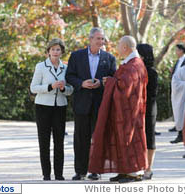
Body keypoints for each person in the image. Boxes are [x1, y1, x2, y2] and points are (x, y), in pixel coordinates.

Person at [88, 35, 148, 183]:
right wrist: (112, 81)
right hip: (124, 110)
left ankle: (133, 172)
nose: (117, 48)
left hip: (130, 112)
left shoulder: (134, 65)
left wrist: (110, 82)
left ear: (126, 47)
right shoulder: (130, 63)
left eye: (119, 45)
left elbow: (125, 87)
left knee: (129, 139)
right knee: (121, 139)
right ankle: (124, 171)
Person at [65, 27, 116, 180]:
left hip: (100, 104)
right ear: (90, 39)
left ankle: (95, 170)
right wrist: (82, 83)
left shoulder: (109, 58)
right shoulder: (76, 56)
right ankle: (80, 171)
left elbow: (113, 79)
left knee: (98, 138)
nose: (101, 41)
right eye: (98, 38)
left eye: (102, 39)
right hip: (81, 103)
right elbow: (69, 76)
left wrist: (100, 83)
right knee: (81, 138)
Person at [30, 38, 74, 181]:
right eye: (53, 49)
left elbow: (70, 90)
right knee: (44, 141)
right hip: (43, 107)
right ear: (48, 51)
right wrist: (50, 86)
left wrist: (63, 88)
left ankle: (59, 174)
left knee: (59, 142)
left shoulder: (66, 68)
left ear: (61, 52)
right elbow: (33, 88)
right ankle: (46, 174)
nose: (55, 52)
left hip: (60, 107)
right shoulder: (41, 66)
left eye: (58, 49)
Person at [137, 43, 157, 180]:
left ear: (142, 56)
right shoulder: (136, 70)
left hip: (149, 108)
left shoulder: (151, 72)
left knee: (149, 137)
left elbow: (152, 94)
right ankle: (139, 166)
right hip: (137, 109)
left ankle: (148, 168)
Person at [169, 43, 185, 133]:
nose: (176, 52)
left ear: (181, 50)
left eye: (177, 50)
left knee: (181, 107)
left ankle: (180, 126)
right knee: (176, 106)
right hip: (176, 87)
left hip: (182, 86)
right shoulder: (178, 60)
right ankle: (177, 124)